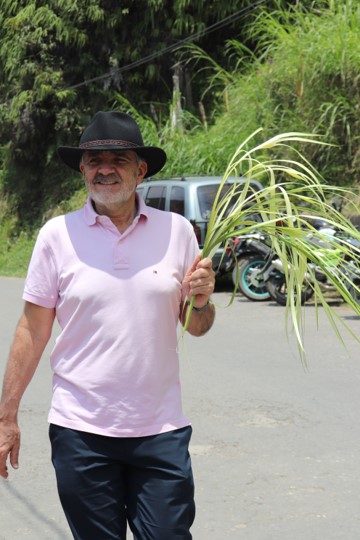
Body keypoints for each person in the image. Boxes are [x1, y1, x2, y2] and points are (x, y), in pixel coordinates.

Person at [0, 111, 216, 539]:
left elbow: (196, 325)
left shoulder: (177, 232)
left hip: (160, 429)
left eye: (118, 158)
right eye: (94, 160)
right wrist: (7, 417)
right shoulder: (56, 236)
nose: (105, 169)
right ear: (82, 169)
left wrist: (202, 302)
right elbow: (32, 330)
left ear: (140, 170)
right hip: (80, 432)